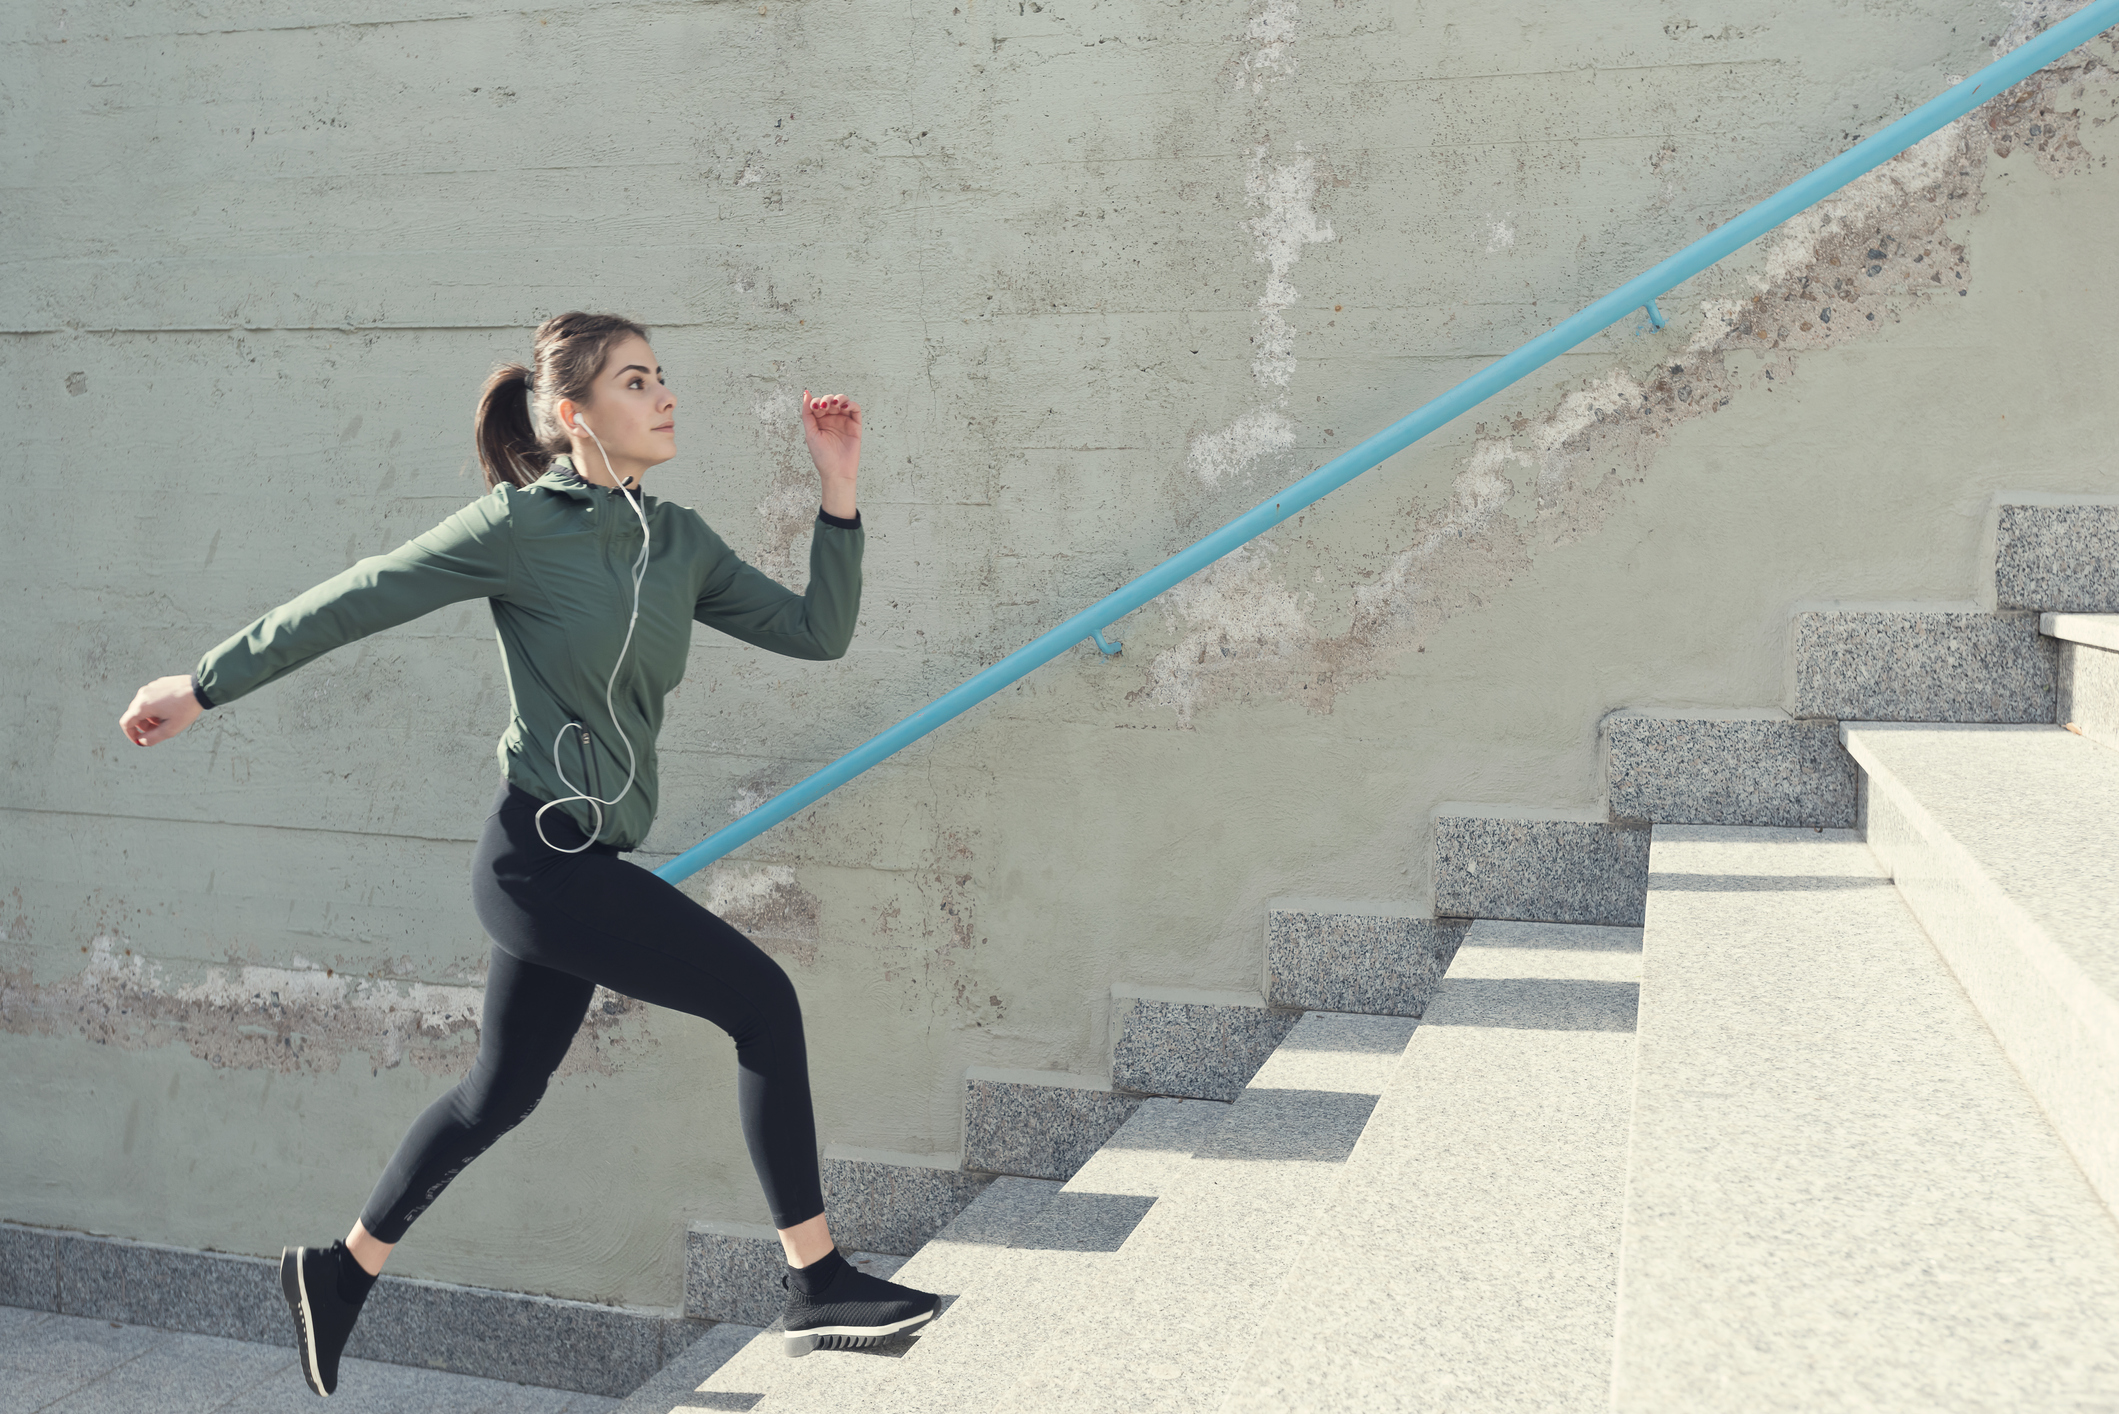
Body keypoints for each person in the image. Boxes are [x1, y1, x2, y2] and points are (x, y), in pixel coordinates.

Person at [117, 311, 939, 1396]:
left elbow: (814, 633)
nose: (664, 395)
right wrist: (204, 683)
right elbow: (360, 596)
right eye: (636, 381)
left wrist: (838, 489)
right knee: (761, 1001)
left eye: (662, 377)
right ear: (574, 414)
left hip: (582, 863)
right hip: (538, 863)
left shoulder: (679, 541)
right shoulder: (518, 527)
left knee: (498, 1093)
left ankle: (338, 1270)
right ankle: (815, 1279)